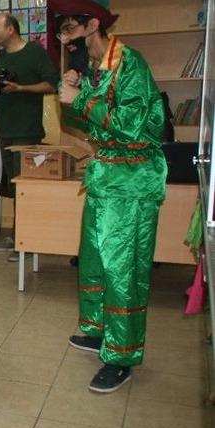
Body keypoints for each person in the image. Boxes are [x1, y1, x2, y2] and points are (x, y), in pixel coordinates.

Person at [53, 0, 166, 393]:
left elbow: (130, 126)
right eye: (61, 32)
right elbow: (80, 123)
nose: (64, 39)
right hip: (104, 177)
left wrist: (81, 99)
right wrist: (72, 93)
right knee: (94, 260)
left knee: (123, 270)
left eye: (69, 29)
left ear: (93, 26)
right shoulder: (94, 69)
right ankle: (99, 330)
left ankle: (121, 355)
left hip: (132, 182)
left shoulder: (130, 64)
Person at [0, 12, 59, 259]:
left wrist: (21, 88)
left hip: (27, 130)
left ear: (11, 29)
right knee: (14, 185)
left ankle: (26, 240)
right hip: (6, 129)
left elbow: (52, 84)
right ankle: (20, 234)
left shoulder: (34, 53)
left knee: (25, 186)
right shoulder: (1, 56)